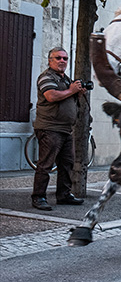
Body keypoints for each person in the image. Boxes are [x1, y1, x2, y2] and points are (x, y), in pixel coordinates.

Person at [31, 48, 86, 210]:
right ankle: (38, 196)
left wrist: (78, 94)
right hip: (49, 128)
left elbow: (69, 100)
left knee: (67, 163)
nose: (62, 61)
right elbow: (51, 96)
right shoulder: (46, 77)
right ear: (50, 60)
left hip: (65, 129)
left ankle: (63, 195)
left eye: (65, 58)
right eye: (58, 58)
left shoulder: (66, 79)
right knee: (46, 164)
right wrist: (71, 90)